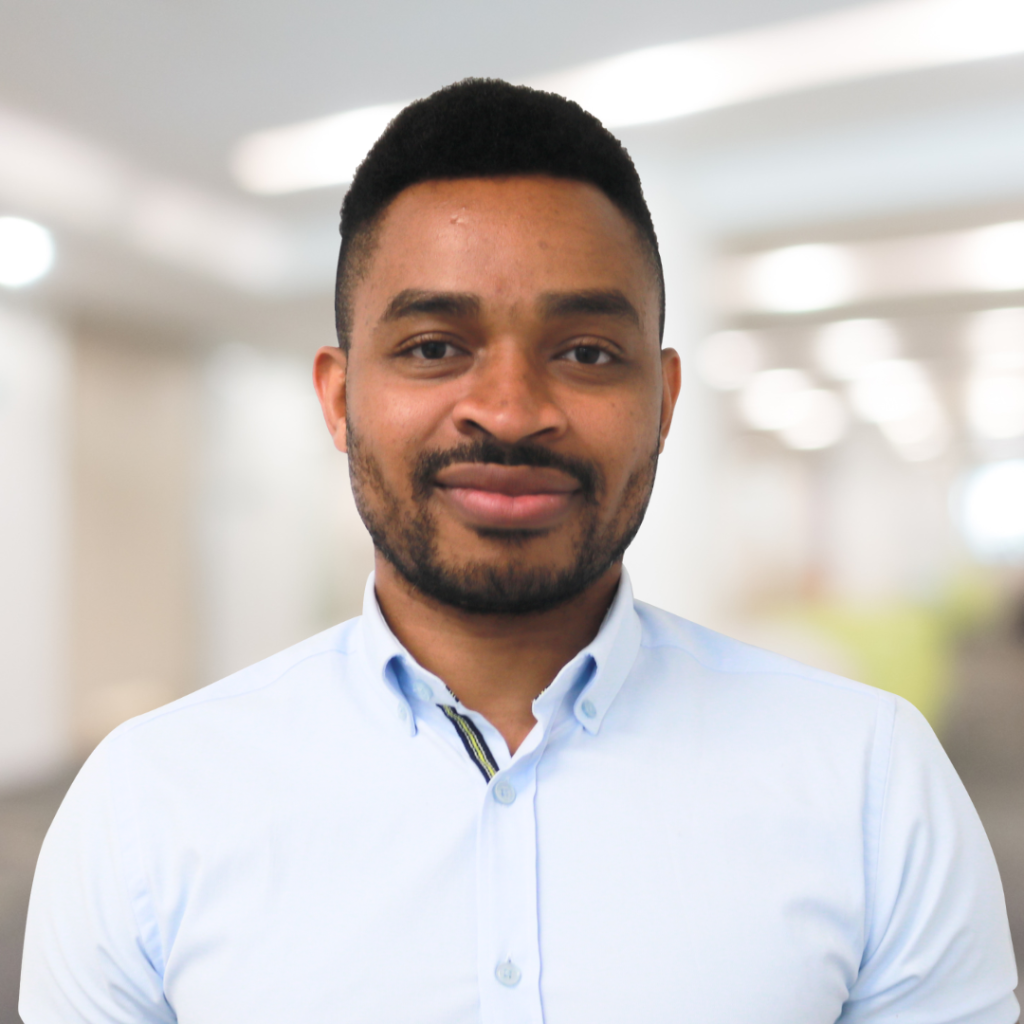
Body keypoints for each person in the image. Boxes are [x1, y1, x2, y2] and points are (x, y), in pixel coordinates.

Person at [20, 79, 1018, 1024]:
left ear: (664, 401)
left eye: (585, 352)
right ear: (339, 397)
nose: (507, 410)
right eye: (433, 347)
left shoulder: (869, 778)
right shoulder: (147, 803)